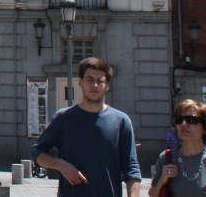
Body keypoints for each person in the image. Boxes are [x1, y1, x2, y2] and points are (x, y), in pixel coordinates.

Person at [32, 57, 141, 197]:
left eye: (100, 81)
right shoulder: (63, 118)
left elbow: (131, 168)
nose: (95, 85)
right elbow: (36, 152)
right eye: (89, 79)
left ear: (107, 85)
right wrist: (61, 165)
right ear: (80, 82)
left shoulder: (121, 121)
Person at [149, 99, 206, 197]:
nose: (183, 124)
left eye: (191, 120)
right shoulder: (166, 158)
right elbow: (152, 194)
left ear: (204, 128)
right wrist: (162, 180)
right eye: (179, 120)